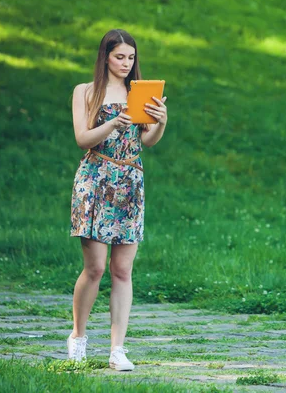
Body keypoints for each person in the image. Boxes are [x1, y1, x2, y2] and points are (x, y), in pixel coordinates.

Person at [68, 29, 168, 371]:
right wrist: (113, 122)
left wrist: (160, 123)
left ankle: (117, 350)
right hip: (96, 180)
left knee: (122, 270)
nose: (126, 63)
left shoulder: (138, 93)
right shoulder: (86, 92)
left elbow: (147, 140)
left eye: (130, 57)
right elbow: (83, 138)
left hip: (130, 181)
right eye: (119, 57)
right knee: (95, 268)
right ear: (105, 57)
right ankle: (78, 337)